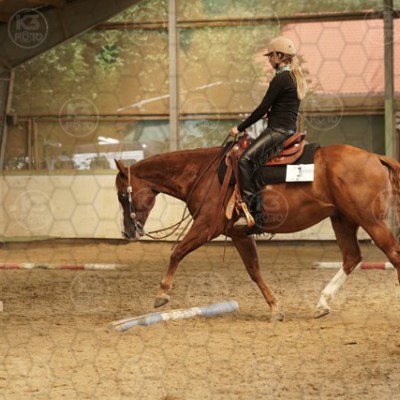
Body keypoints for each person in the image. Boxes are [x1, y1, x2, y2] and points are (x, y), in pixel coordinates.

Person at [230, 36, 308, 227]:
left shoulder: (280, 79)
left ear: (279, 56)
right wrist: (271, 114)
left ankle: (253, 213)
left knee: (245, 160)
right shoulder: (292, 77)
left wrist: (239, 128)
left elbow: (261, 108)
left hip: (278, 130)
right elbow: (284, 108)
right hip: (287, 129)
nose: (269, 60)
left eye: (271, 56)